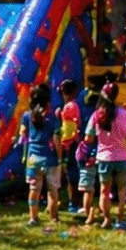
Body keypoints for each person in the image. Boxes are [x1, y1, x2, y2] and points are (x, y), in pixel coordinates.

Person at [87, 82, 126, 230]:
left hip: (104, 158)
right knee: (122, 192)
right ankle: (120, 219)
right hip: (122, 158)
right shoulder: (124, 114)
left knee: (104, 190)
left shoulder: (97, 114)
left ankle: (106, 219)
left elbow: (88, 137)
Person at [21, 83, 62, 227]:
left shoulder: (27, 116)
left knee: (34, 189)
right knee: (52, 190)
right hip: (50, 158)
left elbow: (22, 132)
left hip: (33, 158)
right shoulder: (52, 118)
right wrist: (59, 156)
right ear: (47, 102)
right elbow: (57, 138)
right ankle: (54, 217)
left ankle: (33, 217)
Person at [56, 79, 86, 212]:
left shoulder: (69, 106)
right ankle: (73, 201)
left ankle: (73, 202)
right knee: (72, 174)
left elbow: (69, 129)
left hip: (71, 144)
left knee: (71, 174)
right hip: (74, 143)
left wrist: (66, 143)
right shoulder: (74, 105)